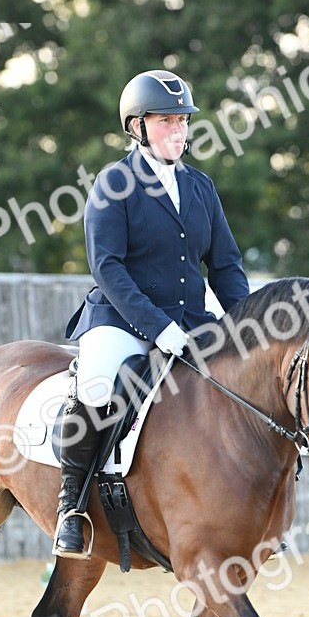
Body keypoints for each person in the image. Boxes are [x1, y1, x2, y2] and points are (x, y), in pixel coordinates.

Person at [53, 68, 250, 558]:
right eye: (165, 122)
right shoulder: (113, 183)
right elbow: (108, 267)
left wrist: (247, 326)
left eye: (182, 121)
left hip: (191, 322)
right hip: (121, 320)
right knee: (98, 381)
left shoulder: (201, 187)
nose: (177, 132)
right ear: (137, 126)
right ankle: (71, 507)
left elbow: (225, 265)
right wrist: (157, 328)